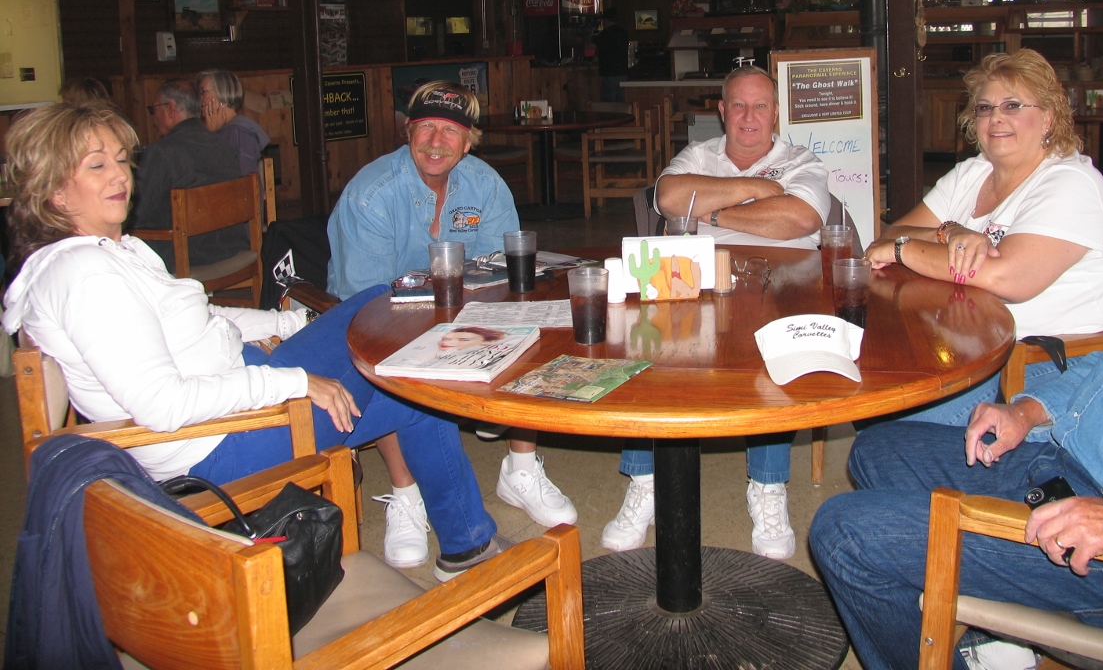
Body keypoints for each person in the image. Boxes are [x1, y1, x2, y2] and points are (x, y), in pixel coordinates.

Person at [808, 40, 1103, 670]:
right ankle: (983, 639)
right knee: (878, 450)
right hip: (1076, 464)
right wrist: (1029, 409)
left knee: (844, 531)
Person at [1, 101, 510, 582]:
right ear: (55, 191)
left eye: (120, 160)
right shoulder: (86, 276)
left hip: (238, 383)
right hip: (220, 443)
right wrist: (296, 382)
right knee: (402, 352)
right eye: (97, 166)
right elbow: (162, 405)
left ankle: (464, 539)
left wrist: (288, 323)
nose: (119, 176)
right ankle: (468, 542)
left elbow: (201, 318)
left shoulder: (115, 252)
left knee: (394, 326)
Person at [327, 81, 577, 554]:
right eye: (425, 128)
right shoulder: (371, 195)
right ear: (408, 131)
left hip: (462, 310)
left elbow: (503, 273)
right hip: (382, 315)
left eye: (450, 131)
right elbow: (365, 306)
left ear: (468, 142)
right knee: (383, 357)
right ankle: (405, 493)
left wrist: (496, 328)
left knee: (531, 316)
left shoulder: (485, 184)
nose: (436, 142)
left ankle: (521, 469)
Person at [602, 64, 829, 560]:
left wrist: (714, 211)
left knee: (774, 363)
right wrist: (760, 190)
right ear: (723, 111)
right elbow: (668, 198)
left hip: (781, 282)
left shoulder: (801, 160)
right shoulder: (698, 155)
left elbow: (801, 217)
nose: (749, 116)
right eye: (739, 105)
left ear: (776, 113)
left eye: (760, 106)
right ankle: (644, 482)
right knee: (648, 350)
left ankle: (768, 486)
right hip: (697, 280)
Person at [865, 49, 1103, 425]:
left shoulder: (1073, 183)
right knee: (873, 381)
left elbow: (1006, 278)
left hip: (1046, 363)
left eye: (1012, 106)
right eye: (985, 108)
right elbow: (894, 231)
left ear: (1048, 118)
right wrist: (949, 231)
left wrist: (903, 250)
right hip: (969, 343)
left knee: (890, 418)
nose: (995, 118)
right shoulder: (974, 172)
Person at [130, 78, 246, 274]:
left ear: (170, 109)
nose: (153, 117)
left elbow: (139, 213)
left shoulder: (161, 152)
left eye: (152, 109)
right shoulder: (222, 143)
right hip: (230, 246)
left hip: (186, 254)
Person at [197, 69, 270, 176]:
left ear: (222, 94)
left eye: (203, 92)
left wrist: (212, 137)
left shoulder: (238, 132)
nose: (199, 98)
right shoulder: (225, 130)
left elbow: (243, 180)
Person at [595, 7, 629, 103]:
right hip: (623, 72)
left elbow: (592, 47)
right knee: (621, 103)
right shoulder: (624, 33)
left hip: (609, 73)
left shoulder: (605, 34)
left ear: (606, 20)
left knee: (608, 105)